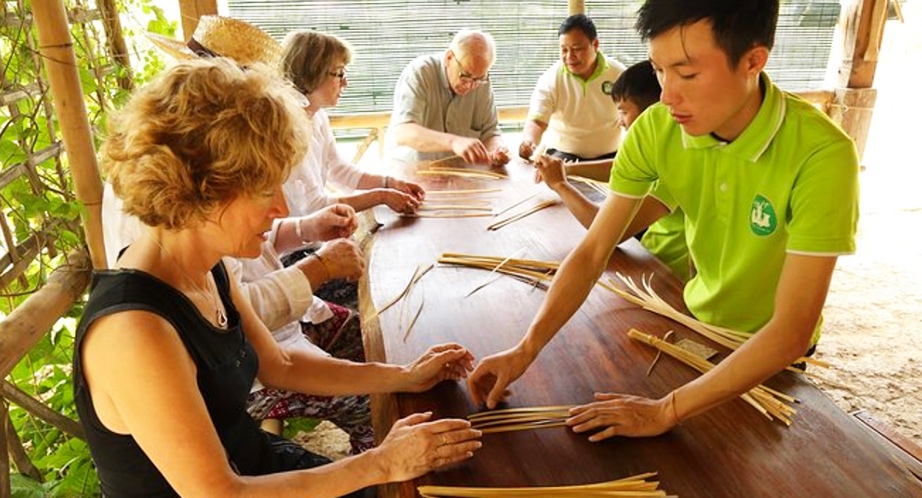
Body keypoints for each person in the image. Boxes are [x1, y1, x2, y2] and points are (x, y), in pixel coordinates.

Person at [76, 58, 481, 497]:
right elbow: (220, 493)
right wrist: (380, 462)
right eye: (267, 190)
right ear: (203, 191)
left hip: (255, 467)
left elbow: (281, 364)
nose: (282, 209)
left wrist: (403, 375)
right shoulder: (134, 331)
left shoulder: (207, 267)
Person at [468, 0, 859, 440]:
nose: (668, 94)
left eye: (688, 73)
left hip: (771, 353)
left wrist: (664, 412)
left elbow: (790, 330)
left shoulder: (822, 155)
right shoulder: (658, 128)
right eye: (659, 70)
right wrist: (527, 348)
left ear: (753, 61)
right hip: (695, 318)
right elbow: (596, 248)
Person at [110, 16, 379, 452]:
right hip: (243, 370)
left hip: (272, 345)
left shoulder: (204, 191)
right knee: (382, 405)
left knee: (378, 337)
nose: (279, 205)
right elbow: (245, 338)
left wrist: (309, 229)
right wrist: (317, 267)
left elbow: (251, 266)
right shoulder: (165, 204)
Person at [534, 59, 692, 281]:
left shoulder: (680, 160)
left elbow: (607, 232)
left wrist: (561, 185)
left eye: (624, 111)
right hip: (647, 255)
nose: (620, 122)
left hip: (668, 275)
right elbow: (623, 169)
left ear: (652, 113)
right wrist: (568, 170)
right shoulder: (662, 146)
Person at [279, 29, 426, 219]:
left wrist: (390, 183)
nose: (345, 82)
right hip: (291, 244)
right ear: (313, 73)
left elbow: (340, 171)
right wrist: (382, 196)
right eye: (339, 73)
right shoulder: (287, 128)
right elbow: (313, 207)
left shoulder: (317, 116)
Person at [387, 29, 511, 166]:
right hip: (410, 170)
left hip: (457, 174)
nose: (470, 85)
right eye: (465, 76)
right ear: (449, 58)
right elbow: (404, 132)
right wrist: (454, 142)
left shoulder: (481, 82)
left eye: (479, 79)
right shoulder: (419, 73)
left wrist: (497, 149)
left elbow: (490, 132)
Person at [518, 14, 626, 168]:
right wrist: (528, 142)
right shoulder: (551, 78)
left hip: (610, 157)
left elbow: (635, 119)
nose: (569, 56)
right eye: (564, 50)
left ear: (595, 44)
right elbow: (537, 121)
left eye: (577, 49)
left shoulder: (619, 74)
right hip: (562, 156)